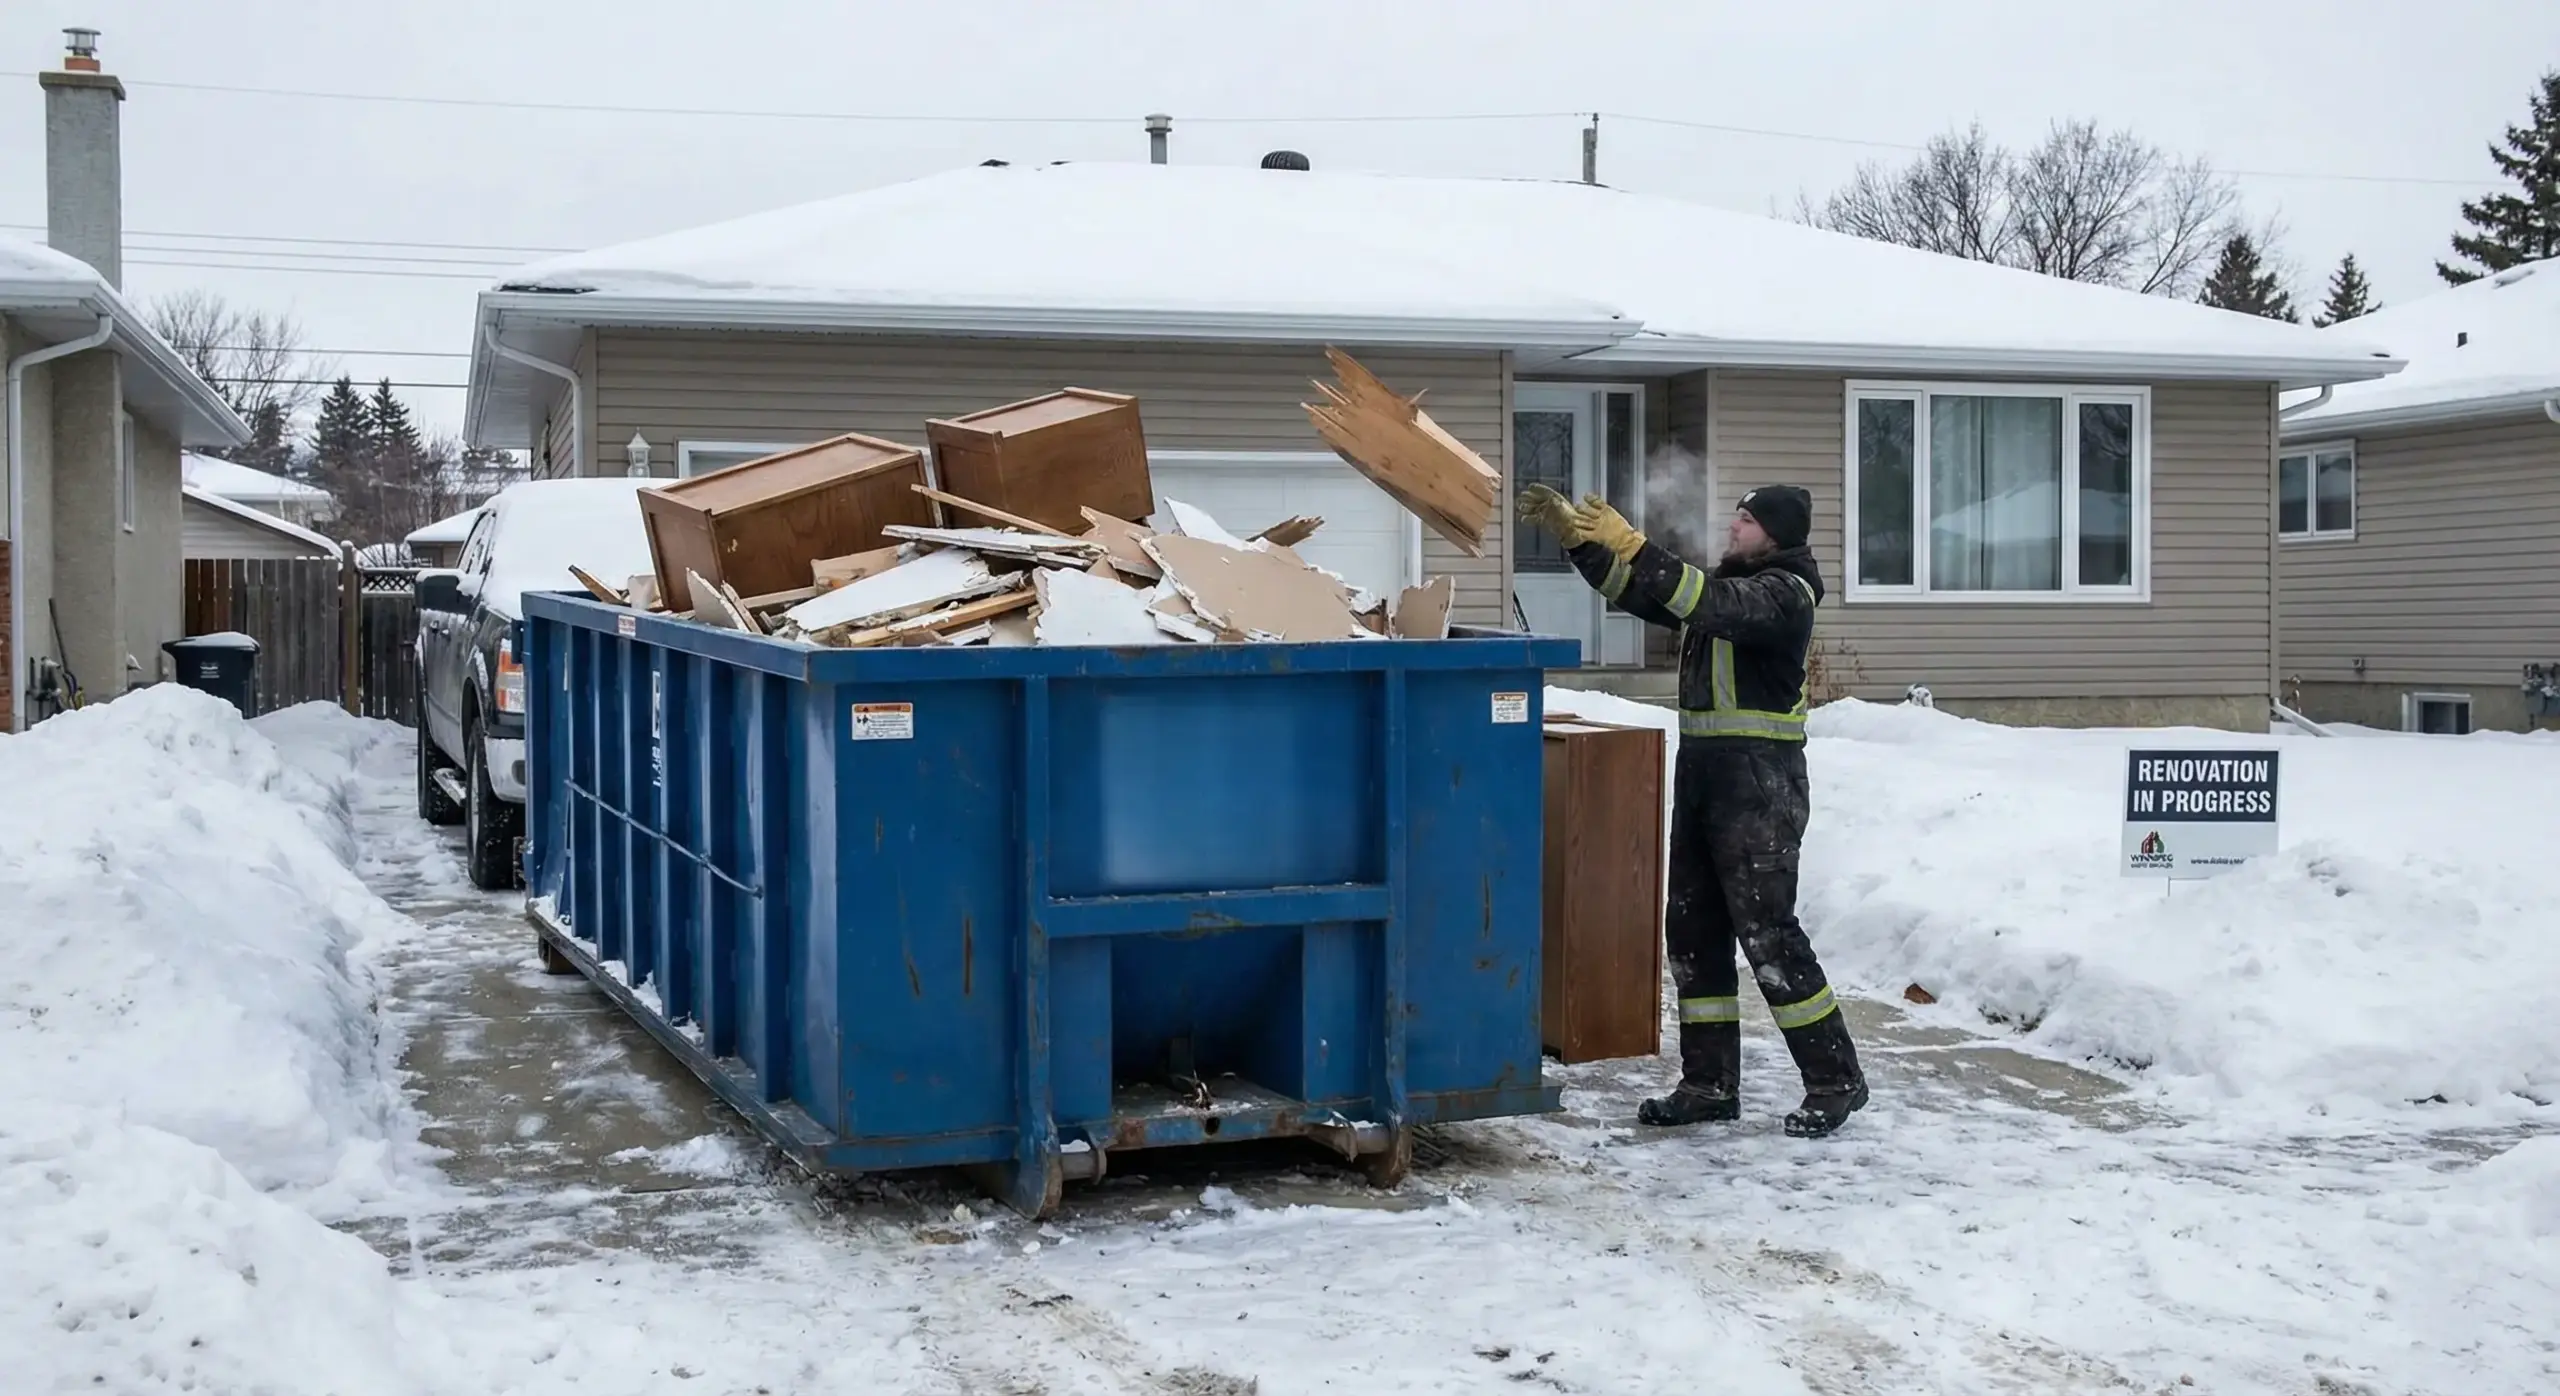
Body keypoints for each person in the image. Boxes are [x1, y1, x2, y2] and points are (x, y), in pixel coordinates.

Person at [1516, 482, 1867, 1138]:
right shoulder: (1728, 587)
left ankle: (1835, 1079)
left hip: (1760, 783)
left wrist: (1634, 541)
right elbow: (1645, 595)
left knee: (1768, 934)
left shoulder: (1784, 593)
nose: (1733, 527)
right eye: (1735, 516)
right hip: (1706, 775)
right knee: (1693, 931)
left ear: (1777, 532)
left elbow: (1707, 602)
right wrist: (1582, 545)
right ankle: (1708, 1084)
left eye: (1747, 519)